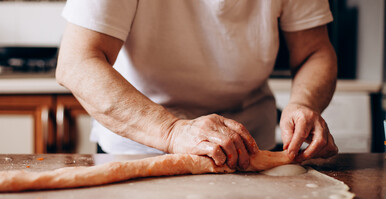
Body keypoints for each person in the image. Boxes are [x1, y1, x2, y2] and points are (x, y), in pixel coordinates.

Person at [56, 0, 338, 170]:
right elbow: (77, 61)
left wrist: (303, 103)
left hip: (251, 151)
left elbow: (315, 51)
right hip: (138, 149)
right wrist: (171, 131)